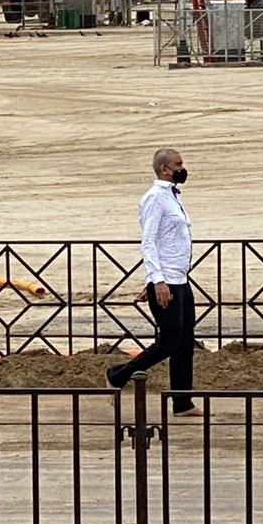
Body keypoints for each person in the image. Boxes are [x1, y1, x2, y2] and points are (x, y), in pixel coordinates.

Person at [106, 149, 202, 417]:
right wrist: (156, 281)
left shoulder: (171, 196)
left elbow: (168, 241)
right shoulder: (154, 199)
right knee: (170, 341)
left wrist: (156, 278)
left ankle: (182, 402)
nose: (183, 168)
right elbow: (148, 241)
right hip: (166, 282)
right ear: (164, 169)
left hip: (180, 280)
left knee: (185, 343)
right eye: (178, 164)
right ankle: (117, 375)